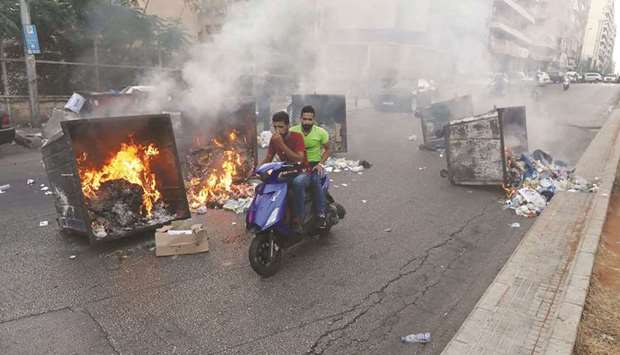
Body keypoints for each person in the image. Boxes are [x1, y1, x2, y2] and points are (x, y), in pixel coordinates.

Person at [261, 111, 307, 233]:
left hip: (302, 171)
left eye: (280, 127)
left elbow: (299, 158)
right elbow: (268, 158)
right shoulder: (274, 139)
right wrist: (257, 170)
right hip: (287, 173)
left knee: (298, 183)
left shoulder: (297, 137)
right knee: (268, 185)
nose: (277, 130)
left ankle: (298, 219)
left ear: (287, 126)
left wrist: (281, 145)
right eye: (275, 127)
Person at [290, 105, 330, 228]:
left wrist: (320, 164)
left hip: (313, 166)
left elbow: (328, 149)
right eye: (304, 119)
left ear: (314, 120)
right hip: (296, 166)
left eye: (309, 119)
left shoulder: (321, 132)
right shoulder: (293, 131)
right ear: (300, 119)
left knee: (311, 181)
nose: (307, 122)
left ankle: (317, 214)